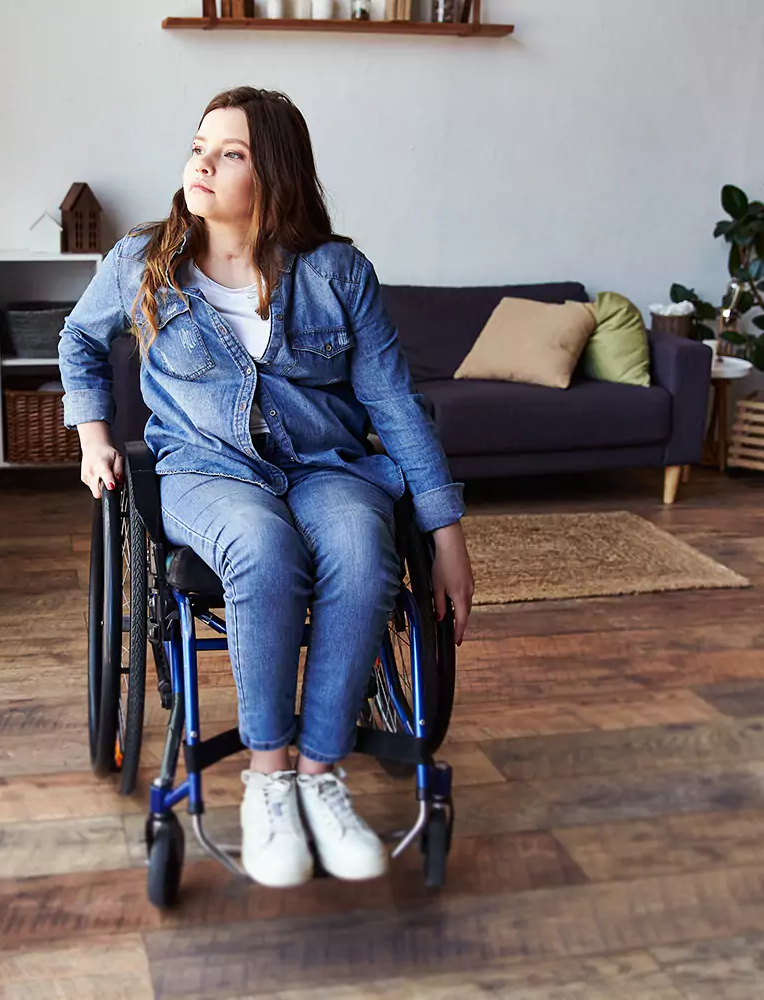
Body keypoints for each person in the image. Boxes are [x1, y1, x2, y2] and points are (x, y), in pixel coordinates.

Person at [58, 86, 475, 888]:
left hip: (328, 467)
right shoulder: (143, 261)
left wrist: (448, 535)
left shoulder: (337, 272)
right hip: (204, 472)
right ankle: (269, 778)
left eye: (233, 152)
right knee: (261, 546)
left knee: (362, 547)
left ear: (275, 175)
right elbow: (78, 340)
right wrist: (93, 436)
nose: (203, 163)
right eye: (199, 145)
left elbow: (393, 403)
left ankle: (321, 773)